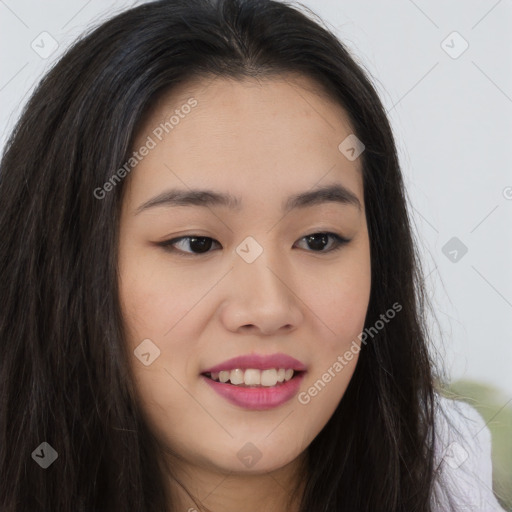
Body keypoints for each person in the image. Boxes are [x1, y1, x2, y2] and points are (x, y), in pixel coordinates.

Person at [0, 0, 506, 510]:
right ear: (64, 266)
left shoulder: (449, 472)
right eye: (196, 243)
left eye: (319, 240)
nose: (268, 309)